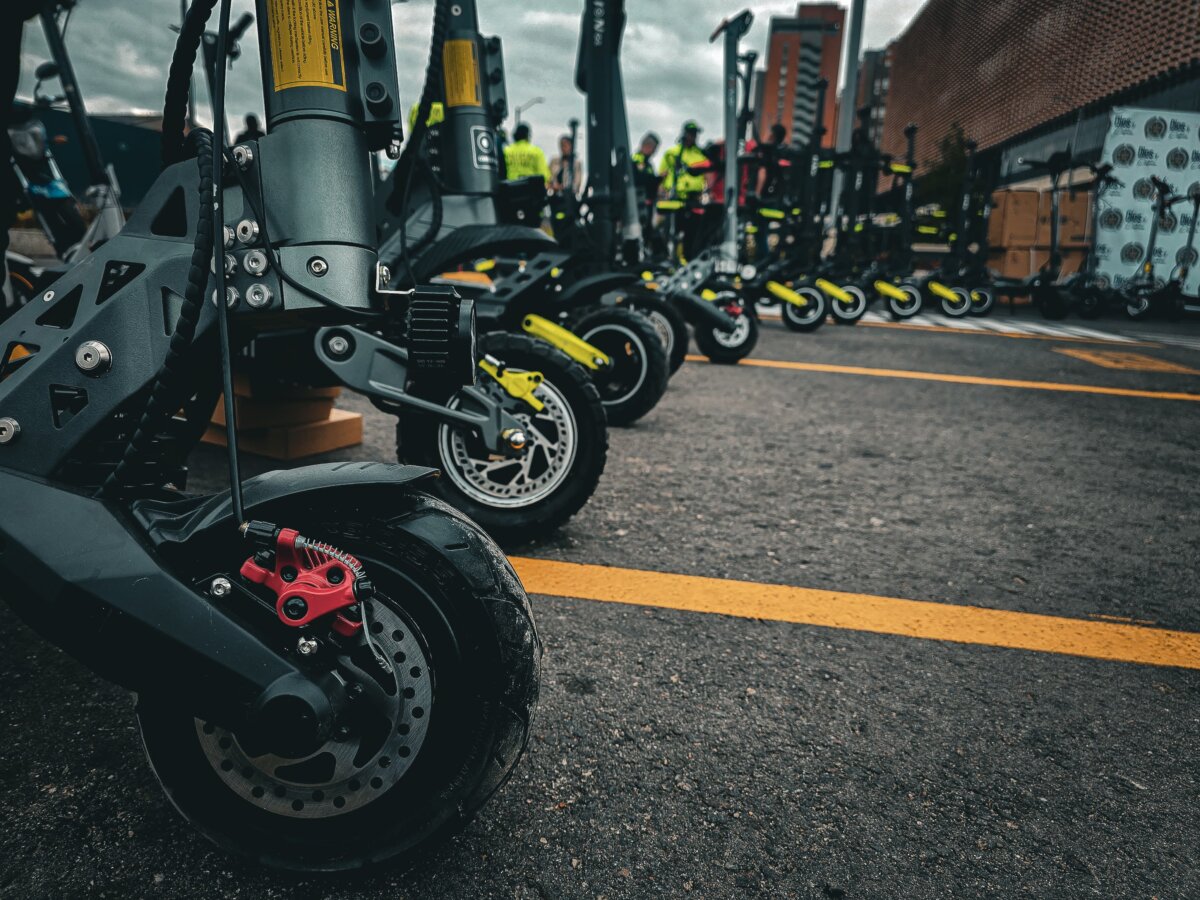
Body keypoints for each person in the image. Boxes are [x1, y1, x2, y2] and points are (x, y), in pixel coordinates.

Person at [658, 121, 708, 200]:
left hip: (695, 197)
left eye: (695, 134)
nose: (693, 136)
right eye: (690, 133)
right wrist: (662, 193)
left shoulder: (701, 155)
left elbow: (707, 176)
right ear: (684, 134)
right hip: (673, 196)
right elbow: (661, 175)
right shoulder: (671, 153)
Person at [549, 134, 582, 198]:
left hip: (569, 198)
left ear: (571, 147)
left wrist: (561, 187)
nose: (563, 148)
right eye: (561, 146)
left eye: (565, 146)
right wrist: (552, 186)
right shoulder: (554, 161)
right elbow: (548, 179)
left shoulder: (576, 164)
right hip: (555, 197)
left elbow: (577, 185)